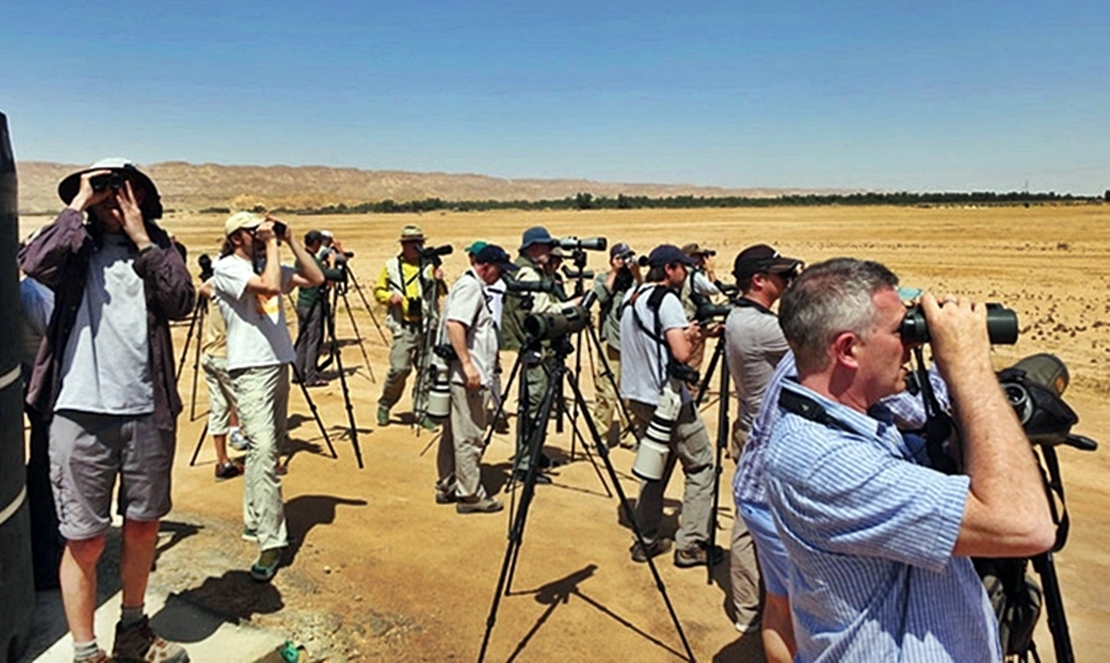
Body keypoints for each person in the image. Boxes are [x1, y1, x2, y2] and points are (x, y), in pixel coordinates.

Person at [764, 258, 1055, 662]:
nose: (915, 342)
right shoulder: (821, 460)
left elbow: (963, 467)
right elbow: (1025, 525)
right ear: (848, 349)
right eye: (903, 331)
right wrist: (969, 366)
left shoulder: (868, 419)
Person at [19, 158, 195, 663]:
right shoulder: (73, 252)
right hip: (78, 412)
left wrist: (143, 238)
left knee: (143, 527)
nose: (116, 199)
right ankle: (85, 650)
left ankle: (134, 630)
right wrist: (77, 203)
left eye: (126, 190)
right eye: (105, 190)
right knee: (84, 539)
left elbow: (181, 300)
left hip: (147, 411)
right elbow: (35, 263)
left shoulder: (162, 250)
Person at [213, 212, 324, 582]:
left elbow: (315, 278)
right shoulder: (227, 267)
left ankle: (254, 520)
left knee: (268, 449)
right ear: (235, 238)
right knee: (262, 450)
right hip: (250, 369)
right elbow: (270, 288)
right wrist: (274, 246)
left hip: (278, 363)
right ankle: (270, 540)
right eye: (252, 230)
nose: (259, 234)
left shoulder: (269, 261)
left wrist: (290, 239)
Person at [619, 245, 721, 568]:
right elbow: (679, 353)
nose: (686, 273)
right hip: (668, 399)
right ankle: (691, 544)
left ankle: (646, 537)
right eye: (682, 267)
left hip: (637, 395)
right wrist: (693, 335)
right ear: (669, 270)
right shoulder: (667, 300)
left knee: (656, 463)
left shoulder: (632, 296)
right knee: (702, 464)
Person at [722, 243, 803, 637]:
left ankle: (749, 604)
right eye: (781, 275)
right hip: (765, 435)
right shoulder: (762, 327)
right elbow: (813, 345)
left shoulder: (739, 317)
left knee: (749, 517)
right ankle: (755, 608)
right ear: (758, 280)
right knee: (753, 522)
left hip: (749, 426)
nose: (787, 281)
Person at [434, 244, 519, 514]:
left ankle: (448, 483)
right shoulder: (471, 287)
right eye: (499, 270)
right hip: (468, 378)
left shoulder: (466, 284)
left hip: (460, 374)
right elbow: (455, 324)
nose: (501, 276)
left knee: (453, 433)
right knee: (469, 436)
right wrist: (469, 365)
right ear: (486, 266)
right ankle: (470, 495)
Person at [500, 226, 568, 483]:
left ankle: (534, 453)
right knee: (534, 407)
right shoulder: (527, 273)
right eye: (545, 246)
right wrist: (570, 307)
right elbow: (543, 310)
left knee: (539, 405)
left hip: (540, 348)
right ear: (531, 248)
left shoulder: (529, 269)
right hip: (536, 349)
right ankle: (525, 464)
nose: (549, 251)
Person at [373, 224, 443, 427]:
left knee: (426, 370)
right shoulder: (390, 266)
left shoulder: (429, 265)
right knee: (399, 368)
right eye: (412, 243)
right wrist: (389, 297)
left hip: (426, 325)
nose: (416, 246)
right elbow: (378, 291)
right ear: (403, 245)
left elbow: (440, 292)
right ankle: (386, 403)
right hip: (403, 325)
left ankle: (421, 411)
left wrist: (438, 278)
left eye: (419, 243)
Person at [591, 242, 641, 448]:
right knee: (606, 392)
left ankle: (629, 435)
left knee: (630, 393)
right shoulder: (604, 278)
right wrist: (614, 271)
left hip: (631, 343)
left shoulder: (633, 282)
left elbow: (646, 293)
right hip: (610, 341)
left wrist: (636, 273)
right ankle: (600, 435)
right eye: (620, 257)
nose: (624, 261)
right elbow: (601, 296)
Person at [198, 280, 244, 481]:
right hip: (227, 357)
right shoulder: (236, 291)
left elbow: (203, 288)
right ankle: (266, 462)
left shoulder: (215, 284)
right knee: (249, 409)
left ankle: (222, 460)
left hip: (210, 354)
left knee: (218, 408)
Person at [293, 230, 344, 387]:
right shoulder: (310, 260)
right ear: (315, 243)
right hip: (313, 303)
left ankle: (297, 373)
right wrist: (333, 262)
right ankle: (311, 377)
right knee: (314, 340)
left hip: (302, 303)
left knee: (302, 339)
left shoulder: (301, 258)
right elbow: (331, 275)